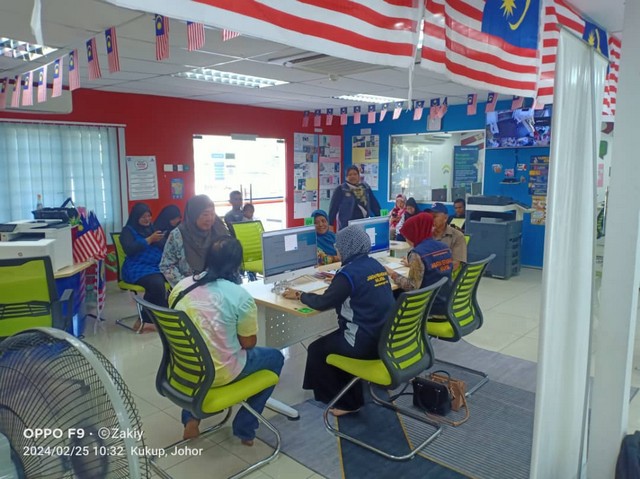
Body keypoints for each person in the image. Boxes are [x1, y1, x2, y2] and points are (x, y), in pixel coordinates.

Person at [169, 236, 284, 445]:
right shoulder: (239, 296)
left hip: (184, 368)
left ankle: (191, 419)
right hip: (219, 373)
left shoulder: (180, 287)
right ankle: (245, 428)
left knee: (199, 349)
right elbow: (248, 344)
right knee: (276, 358)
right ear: (236, 265)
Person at [282, 226, 395, 416]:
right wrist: (337, 283)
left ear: (346, 248)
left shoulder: (347, 274)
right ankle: (345, 392)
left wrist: (300, 295)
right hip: (384, 338)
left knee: (317, 349)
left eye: (339, 247)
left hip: (362, 342)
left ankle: (347, 403)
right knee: (327, 343)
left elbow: (323, 302)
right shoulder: (375, 265)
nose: (337, 250)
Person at [388, 213, 453, 315]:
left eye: (407, 236)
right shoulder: (444, 247)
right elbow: (434, 266)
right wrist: (413, 265)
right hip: (445, 301)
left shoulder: (417, 253)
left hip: (428, 307)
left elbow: (412, 286)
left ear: (414, 234)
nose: (406, 240)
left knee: (391, 294)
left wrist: (392, 274)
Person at [160, 195, 230, 287]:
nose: (209, 218)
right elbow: (167, 266)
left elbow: (231, 258)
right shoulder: (178, 235)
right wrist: (186, 285)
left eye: (212, 214)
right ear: (193, 215)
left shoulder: (219, 230)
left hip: (218, 284)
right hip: (189, 286)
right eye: (205, 214)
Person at [120, 203, 167, 332]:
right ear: (136, 217)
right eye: (143, 217)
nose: (147, 219)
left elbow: (164, 246)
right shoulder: (127, 231)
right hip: (137, 268)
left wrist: (160, 239)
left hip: (156, 266)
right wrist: (149, 239)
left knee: (175, 278)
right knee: (156, 284)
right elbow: (130, 249)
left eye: (149, 216)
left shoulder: (152, 228)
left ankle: (164, 317)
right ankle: (146, 321)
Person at [328, 165, 381, 231]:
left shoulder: (365, 187)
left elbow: (374, 204)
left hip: (363, 223)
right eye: (350, 175)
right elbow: (333, 208)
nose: (352, 176)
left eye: (355, 174)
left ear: (358, 176)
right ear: (346, 177)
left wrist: (381, 218)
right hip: (346, 225)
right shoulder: (341, 189)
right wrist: (330, 224)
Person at [431, 202, 467, 272]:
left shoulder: (457, 236)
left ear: (445, 218)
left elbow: (455, 264)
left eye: (434, 216)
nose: (431, 219)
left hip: (443, 275)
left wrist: (433, 271)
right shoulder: (425, 234)